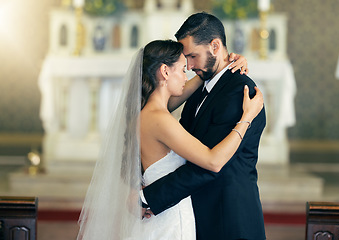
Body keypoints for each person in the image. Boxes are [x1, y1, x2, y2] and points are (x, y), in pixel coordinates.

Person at [76, 39, 263, 239]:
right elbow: (213, 161)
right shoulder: (160, 120)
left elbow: (184, 91)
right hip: (169, 221)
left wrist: (221, 65)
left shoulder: (145, 113)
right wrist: (246, 118)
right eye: (183, 69)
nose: (187, 74)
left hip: (159, 216)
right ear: (165, 72)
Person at [141, 12, 267, 240]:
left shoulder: (239, 91)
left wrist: (149, 197)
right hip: (200, 214)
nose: (188, 66)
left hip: (229, 219)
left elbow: (210, 164)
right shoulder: (201, 87)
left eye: (192, 56)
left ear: (215, 46)